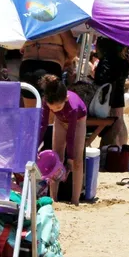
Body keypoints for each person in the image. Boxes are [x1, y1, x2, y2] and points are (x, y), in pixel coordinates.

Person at [39, 74, 88, 204]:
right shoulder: (47, 102)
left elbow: (70, 136)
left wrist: (70, 159)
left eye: (58, 107)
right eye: (52, 108)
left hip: (77, 121)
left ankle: (75, 199)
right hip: (60, 120)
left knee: (77, 160)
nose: (54, 109)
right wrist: (35, 147)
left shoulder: (72, 107)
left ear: (65, 99)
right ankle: (53, 198)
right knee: (56, 158)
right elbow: (43, 125)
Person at [92, 36, 129, 147]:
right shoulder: (122, 60)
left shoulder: (107, 61)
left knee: (113, 121)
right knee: (119, 119)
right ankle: (120, 147)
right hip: (117, 93)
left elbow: (101, 81)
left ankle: (111, 146)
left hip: (107, 95)